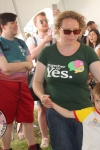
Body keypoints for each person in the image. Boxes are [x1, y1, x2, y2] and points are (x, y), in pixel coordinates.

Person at [32, 10, 100, 150]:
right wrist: (41, 95)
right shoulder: (47, 52)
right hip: (56, 110)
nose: (72, 35)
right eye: (67, 31)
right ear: (58, 29)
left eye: (76, 31)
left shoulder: (86, 52)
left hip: (83, 111)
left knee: (84, 146)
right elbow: (37, 81)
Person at [0, 13, 42, 150]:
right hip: (5, 87)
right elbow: (4, 68)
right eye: (12, 23)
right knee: (7, 121)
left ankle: (33, 147)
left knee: (28, 118)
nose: (16, 25)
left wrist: (13, 67)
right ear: (3, 26)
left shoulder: (21, 42)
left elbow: (30, 65)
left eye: (16, 22)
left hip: (23, 85)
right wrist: (22, 65)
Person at [26, 11, 52, 148]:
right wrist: (44, 41)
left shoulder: (54, 37)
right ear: (35, 24)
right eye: (41, 21)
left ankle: (56, 132)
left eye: (45, 20)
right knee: (42, 108)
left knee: (57, 105)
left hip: (55, 75)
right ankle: (45, 137)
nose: (44, 23)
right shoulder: (32, 39)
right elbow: (31, 55)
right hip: (40, 77)